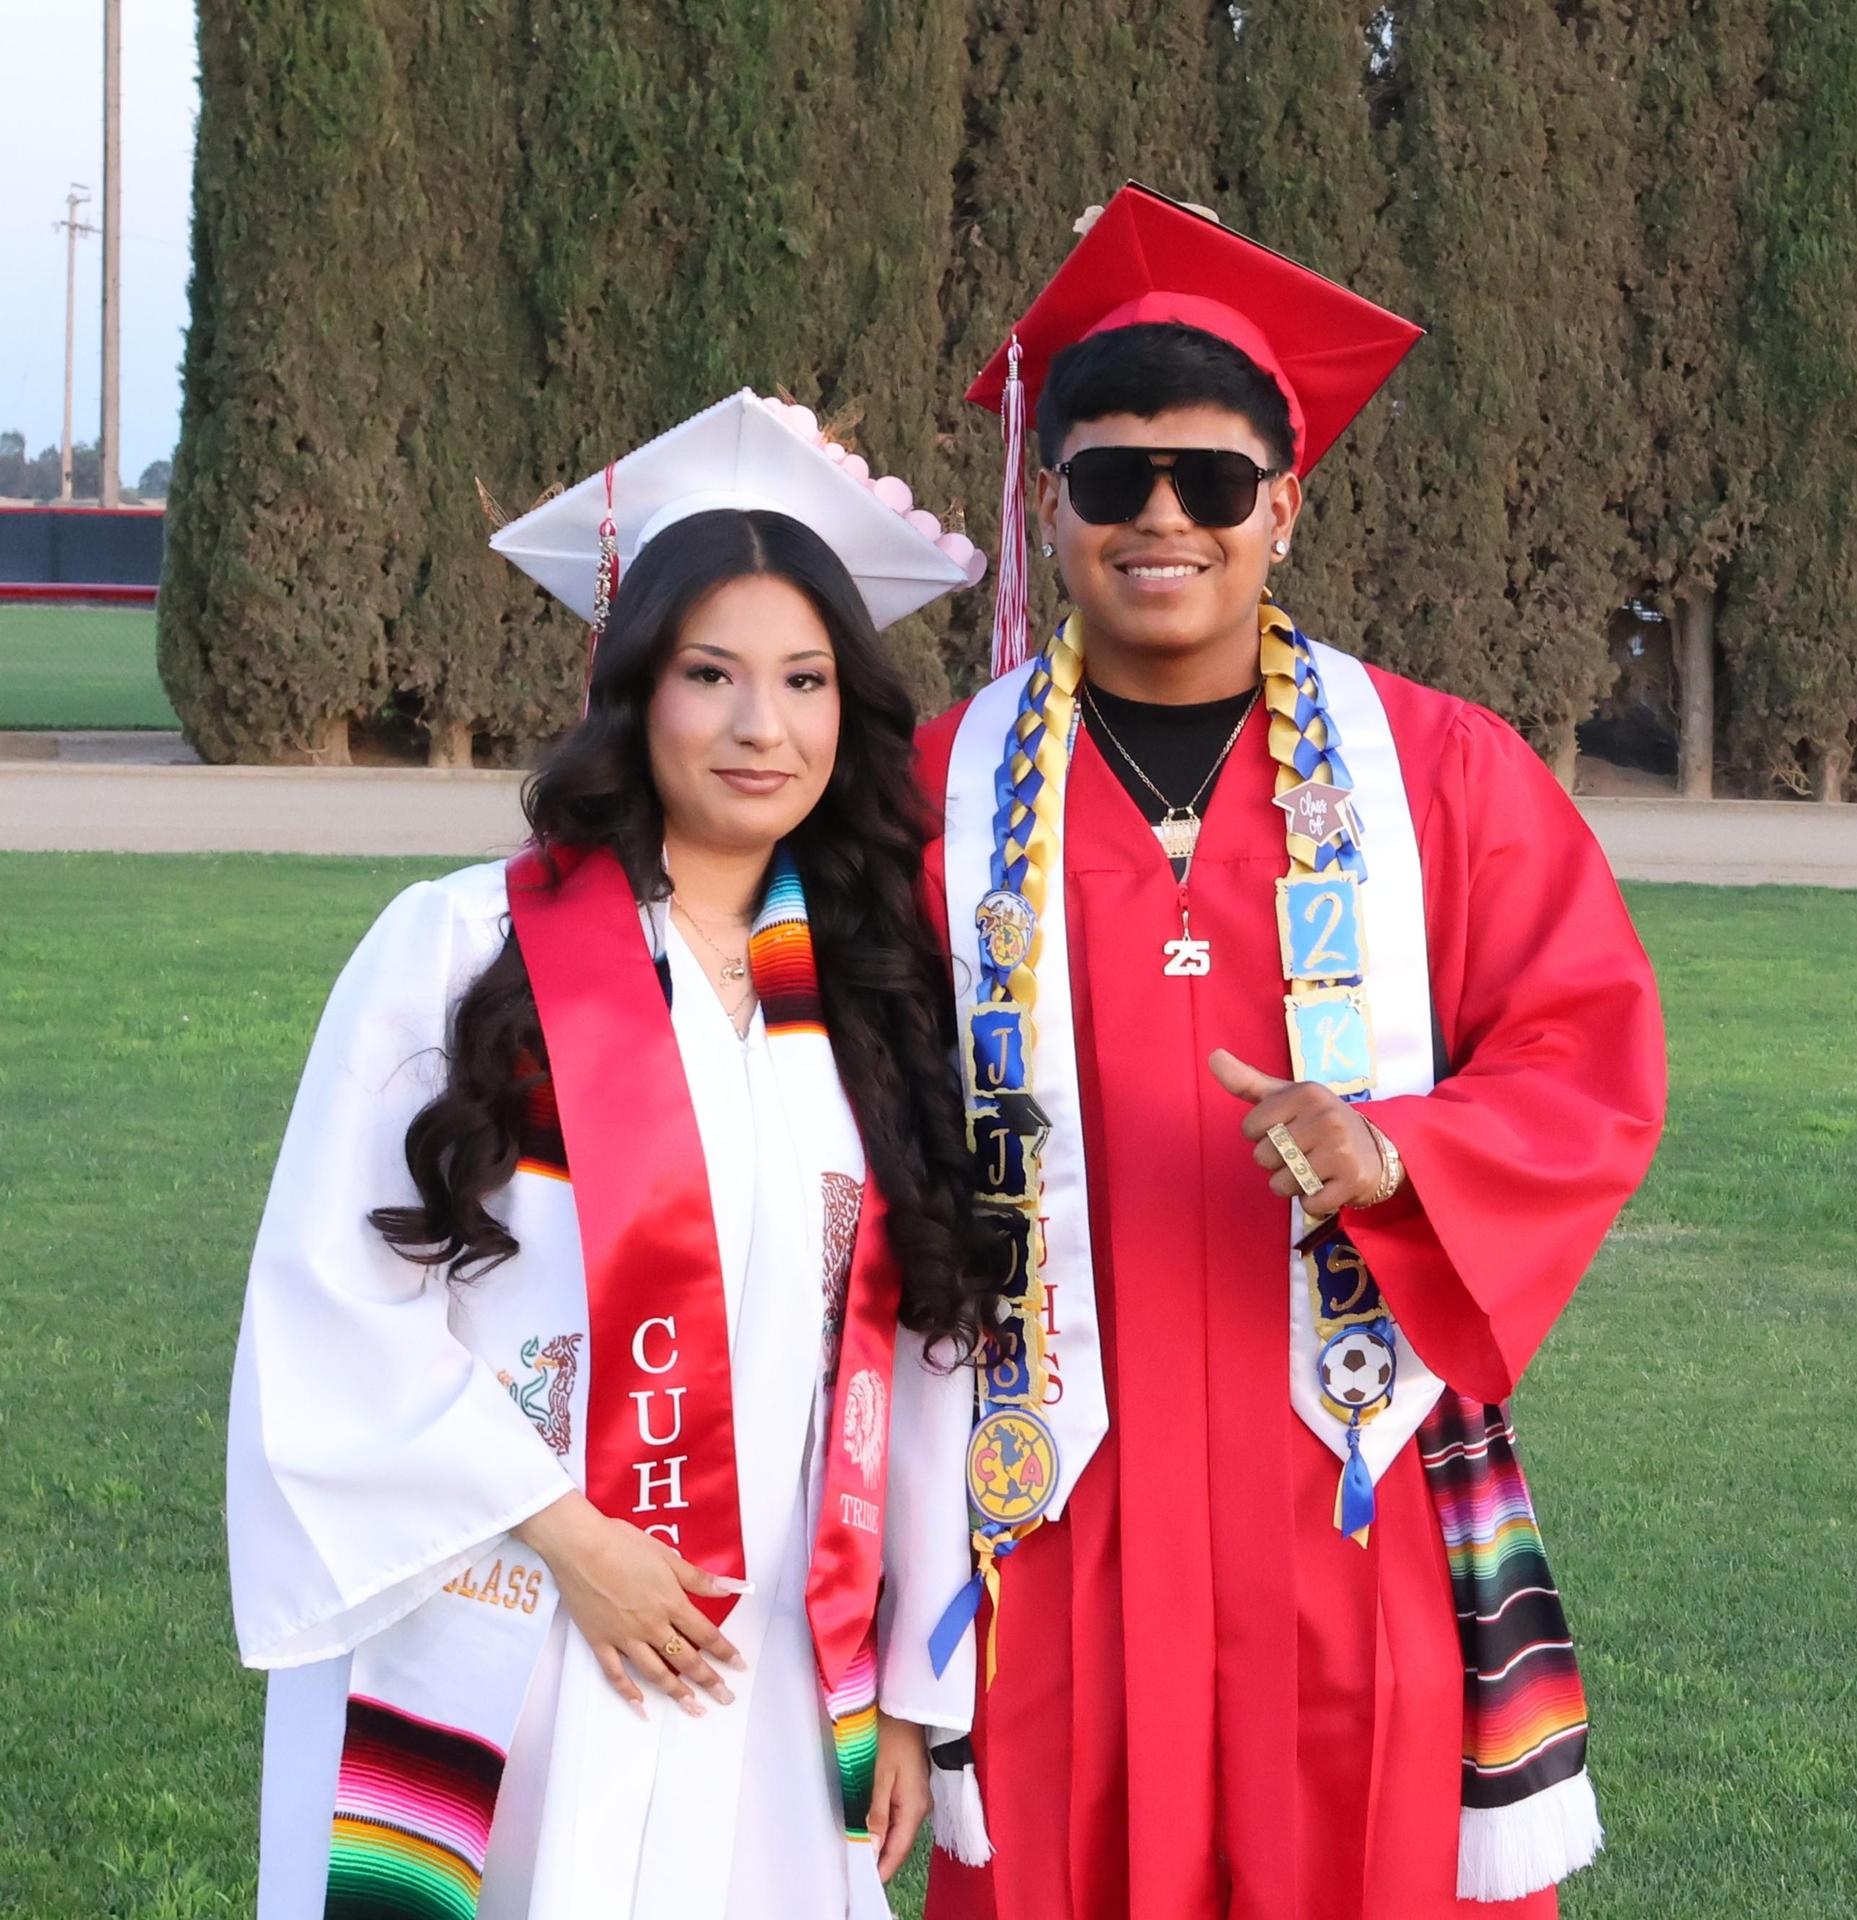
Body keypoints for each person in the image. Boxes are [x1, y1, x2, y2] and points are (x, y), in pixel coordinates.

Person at [916, 186, 1667, 1919]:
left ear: (1287, 506)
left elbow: (1586, 1046)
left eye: (1213, 483)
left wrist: (1403, 1152)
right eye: (1111, 479)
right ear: (1055, 501)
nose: (1160, 518)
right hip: (1050, 1492)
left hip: (1349, 1474)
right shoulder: (937, 792)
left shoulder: (1437, 774)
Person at [227, 390, 993, 1920]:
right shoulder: (460, 946)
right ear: (635, 689)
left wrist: (909, 1684)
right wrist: (575, 1538)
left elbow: (913, 1352)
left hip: (768, 1649)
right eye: (711, 675)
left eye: (804, 680)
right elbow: (334, 1297)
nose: (760, 726)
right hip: (507, 1609)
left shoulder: (871, 996)